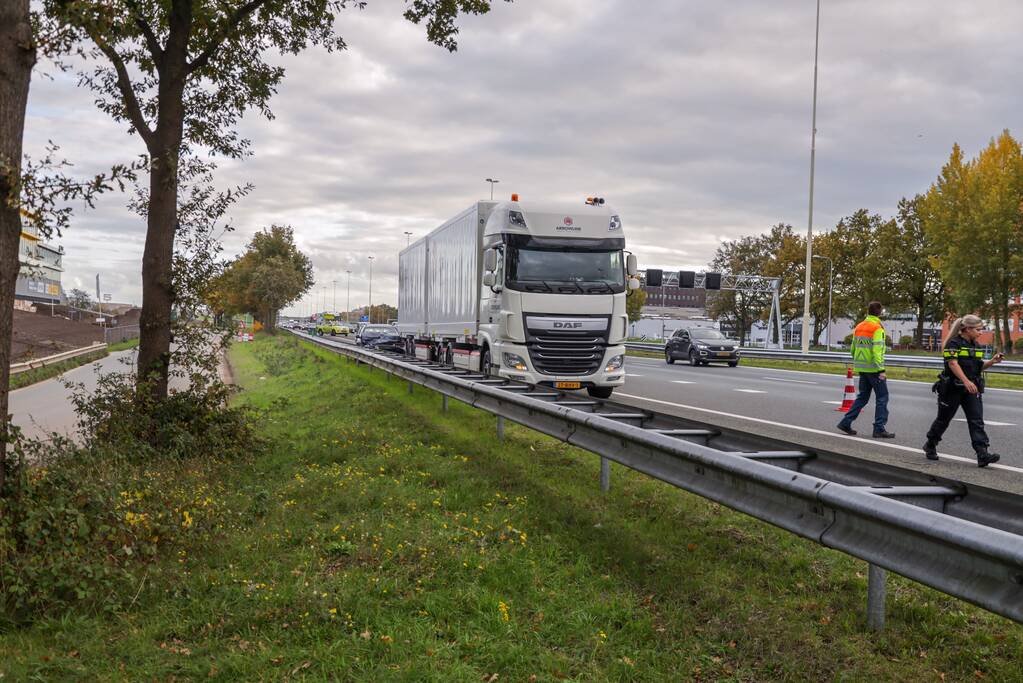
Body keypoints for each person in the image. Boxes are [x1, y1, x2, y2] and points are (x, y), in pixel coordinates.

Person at [923, 314, 1004, 467]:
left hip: (971, 389)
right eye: (979, 329)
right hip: (952, 388)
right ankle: (931, 444)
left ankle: (982, 454)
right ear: (967, 329)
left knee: (976, 421)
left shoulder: (976, 345)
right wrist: (966, 381)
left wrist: (993, 361)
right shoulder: (953, 344)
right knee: (943, 420)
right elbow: (953, 364)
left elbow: (979, 366)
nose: (981, 332)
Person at [837, 301, 895, 438]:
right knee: (882, 397)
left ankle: (846, 422)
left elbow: (853, 349)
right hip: (874, 369)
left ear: (868, 311)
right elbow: (877, 351)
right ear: (880, 313)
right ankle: (879, 428)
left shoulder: (859, 326)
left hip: (862, 368)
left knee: (862, 397)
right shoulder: (877, 328)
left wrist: (859, 362)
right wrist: (881, 369)